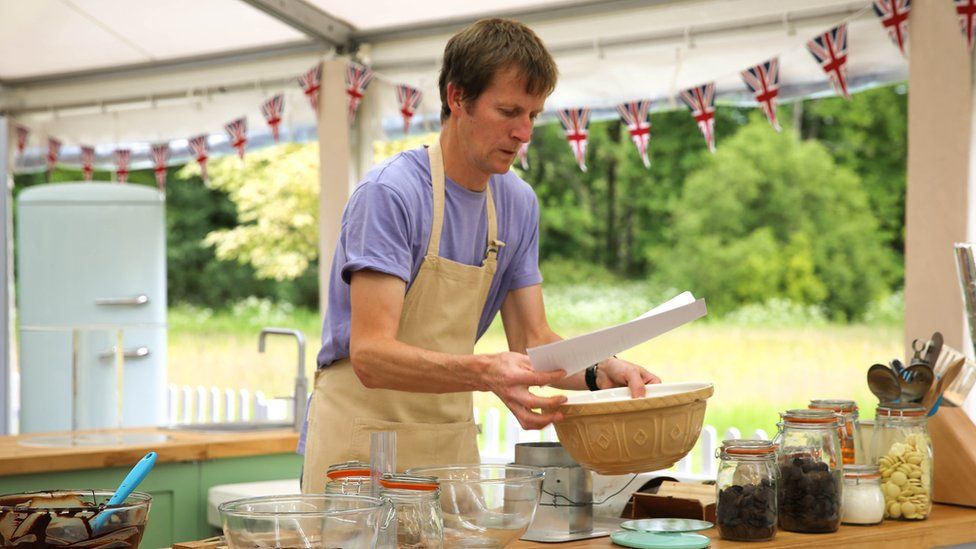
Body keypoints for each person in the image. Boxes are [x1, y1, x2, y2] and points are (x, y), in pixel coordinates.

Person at [301, 18, 659, 493]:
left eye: (533, 114)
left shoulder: (517, 202)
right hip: (359, 453)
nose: (524, 132)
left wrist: (597, 368)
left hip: (447, 449)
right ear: (457, 98)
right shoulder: (391, 194)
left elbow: (533, 339)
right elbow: (371, 356)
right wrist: (486, 371)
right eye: (508, 110)